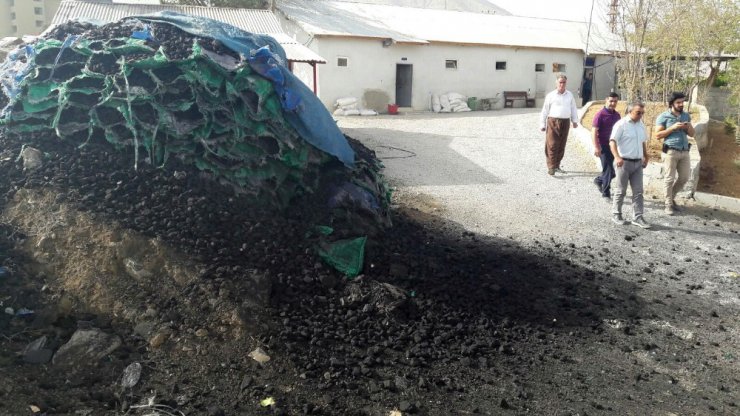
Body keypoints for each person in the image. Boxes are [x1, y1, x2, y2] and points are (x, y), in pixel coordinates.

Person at [609, 101, 651, 229]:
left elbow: (643, 141)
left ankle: (637, 217)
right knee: (621, 190)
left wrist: (645, 155)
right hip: (624, 162)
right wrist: (617, 157)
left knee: (638, 191)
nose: (641, 115)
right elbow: (612, 141)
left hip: (637, 163)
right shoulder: (621, 125)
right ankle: (616, 214)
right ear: (629, 111)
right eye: (638, 113)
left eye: (642, 113)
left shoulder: (641, 125)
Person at [654, 91, 695, 215]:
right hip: (670, 151)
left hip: (684, 151)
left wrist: (688, 127)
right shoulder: (663, 116)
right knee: (669, 179)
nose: (681, 104)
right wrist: (672, 128)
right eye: (678, 102)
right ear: (672, 103)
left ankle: (671, 197)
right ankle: (668, 204)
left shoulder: (686, 116)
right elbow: (657, 135)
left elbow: (692, 134)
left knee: (684, 178)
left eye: (682, 102)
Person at [540, 74, 579, 176]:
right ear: (556, 83)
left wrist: (575, 121)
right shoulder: (551, 95)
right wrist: (542, 124)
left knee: (561, 144)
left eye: (564, 82)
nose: (562, 84)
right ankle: (551, 167)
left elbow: (573, 108)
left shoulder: (569, 95)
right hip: (553, 121)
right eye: (560, 82)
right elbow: (545, 110)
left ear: (566, 83)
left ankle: (557, 165)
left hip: (565, 122)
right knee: (552, 144)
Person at [591, 92, 621, 201]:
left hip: (613, 146)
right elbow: (594, 132)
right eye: (611, 101)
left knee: (612, 172)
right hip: (603, 146)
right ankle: (606, 192)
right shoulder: (600, 115)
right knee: (608, 169)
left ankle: (599, 180)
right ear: (606, 100)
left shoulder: (617, 115)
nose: (613, 103)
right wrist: (596, 147)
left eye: (615, 101)